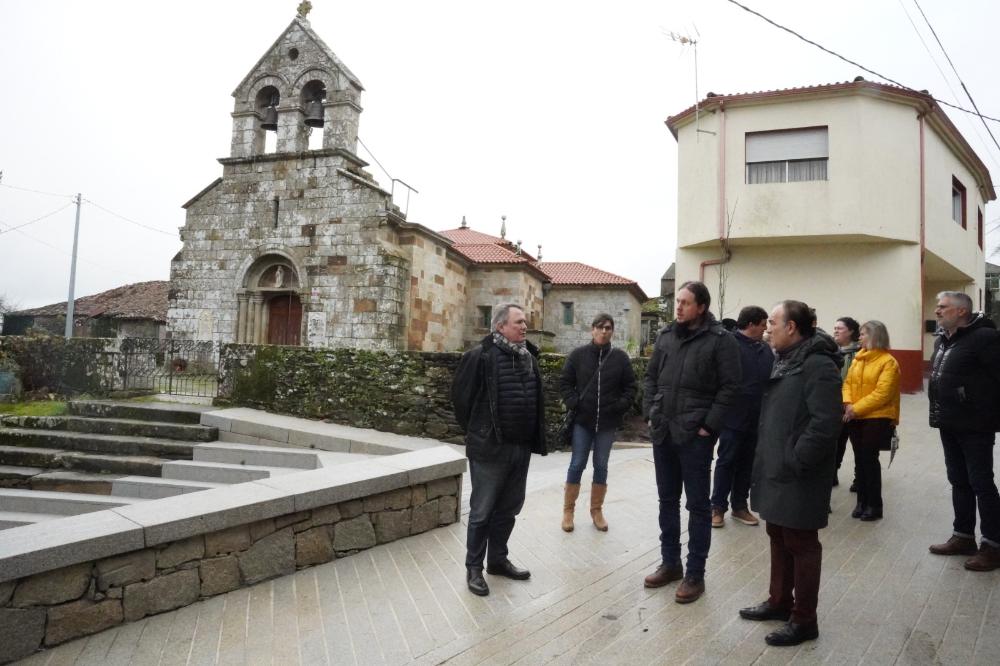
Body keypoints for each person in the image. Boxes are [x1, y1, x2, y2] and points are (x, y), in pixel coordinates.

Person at [739, 300, 842, 646]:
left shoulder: (817, 365)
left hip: (800, 472)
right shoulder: (785, 360)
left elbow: (825, 424)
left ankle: (804, 620)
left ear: (792, 327)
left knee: (802, 543)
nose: (767, 328)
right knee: (778, 535)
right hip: (777, 468)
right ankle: (779, 602)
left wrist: (796, 459)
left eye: (772, 322)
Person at [642, 281, 741, 604]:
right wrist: (650, 413)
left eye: (685, 302)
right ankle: (670, 563)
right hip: (664, 431)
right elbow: (651, 376)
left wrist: (708, 426)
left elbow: (730, 388)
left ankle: (695, 574)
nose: (678, 307)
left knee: (698, 506)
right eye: (678, 302)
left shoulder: (720, 341)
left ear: (701, 306)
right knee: (666, 501)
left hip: (695, 437)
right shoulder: (666, 336)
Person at [451, 303, 547, 596]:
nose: (524, 327)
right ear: (500, 326)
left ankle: (498, 560)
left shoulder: (529, 357)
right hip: (490, 450)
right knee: (482, 512)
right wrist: (479, 433)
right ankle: (474, 568)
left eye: (525, 323)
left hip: (520, 449)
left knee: (509, 509)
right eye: (518, 322)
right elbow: (461, 401)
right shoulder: (480, 357)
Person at [927, 291, 1000, 571]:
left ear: (961, 311)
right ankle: (963, 536)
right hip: (949, 422)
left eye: (942, 307)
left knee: (981, 483)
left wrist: (983, 411)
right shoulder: (944, 340)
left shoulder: (985, 338)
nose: (937, 311)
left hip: (975, 426)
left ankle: (993, 545)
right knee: (958, 480)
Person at [559, 313, 637, 532]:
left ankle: (596, 510)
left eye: (609, 328)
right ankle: (568, 510)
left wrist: (619, 405)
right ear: (592, 330)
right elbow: (565, 382)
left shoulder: (620, 358)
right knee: (577, 464)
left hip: (607, 424)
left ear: (612, 331)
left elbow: (631, 387)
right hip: (583, 422)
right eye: (600, 327)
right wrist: (574, 402)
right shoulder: (578, 355)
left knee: (601, 466)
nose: (604, 331)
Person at [711, 305, 773, 528]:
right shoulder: (729, 345)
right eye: (763, 325)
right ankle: (717, 507)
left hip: (757, 419)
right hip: (732, 417)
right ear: (751, 324)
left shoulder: (765, 349)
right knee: (726, 462)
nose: (766, 329)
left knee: (747, 464)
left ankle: (739, 506)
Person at [842, 320, 900, 522]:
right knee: (860, 460)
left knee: (869, 460)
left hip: (876, 417)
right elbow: (847, 383)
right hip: (855, 416)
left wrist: (855, 409)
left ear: (875, 336)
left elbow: (883, 394)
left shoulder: (888, 362)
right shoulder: (858, 359)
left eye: (863, 334)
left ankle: (874, 505)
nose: (859, 337)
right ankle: (861, 502)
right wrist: (848, 403)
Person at [831, 317, 862, 490]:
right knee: (836, 443)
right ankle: (832, 473)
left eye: (840, 328)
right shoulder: (832, 352)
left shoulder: (861, 353)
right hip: (835, 406)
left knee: (859, 445)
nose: (835, 331)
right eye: (834, 328)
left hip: (855, 407)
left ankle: (860, 479)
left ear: (851, 331)